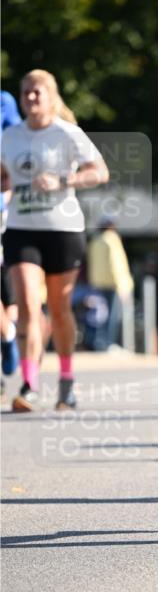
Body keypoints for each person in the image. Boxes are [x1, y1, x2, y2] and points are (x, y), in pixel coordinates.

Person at [0, 70, 109, 411]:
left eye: (37, 93)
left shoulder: (67, 133)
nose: (30, 98)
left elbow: (100, 172)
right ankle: (30, 383)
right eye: (26, 93)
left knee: (60, 310)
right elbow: (4, 176)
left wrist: (63, 180)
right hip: (21, 228)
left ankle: (66, 380)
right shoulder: (10, 137)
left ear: (50, 96)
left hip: (63, 229)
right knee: (30, 305)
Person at [86, 215, 134, 350]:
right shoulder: (112, 239)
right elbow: (116, 264)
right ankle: (108, 344)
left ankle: (96, 344)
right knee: (111, 318)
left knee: (97, 316)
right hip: (113, 284)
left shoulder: (95, 240)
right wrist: (122, 285)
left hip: (97, 284)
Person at [1, 90, 22, 389]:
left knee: (10, 296)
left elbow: (18, 153)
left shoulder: (4, 102)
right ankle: (7, 335)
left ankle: (7, 335)